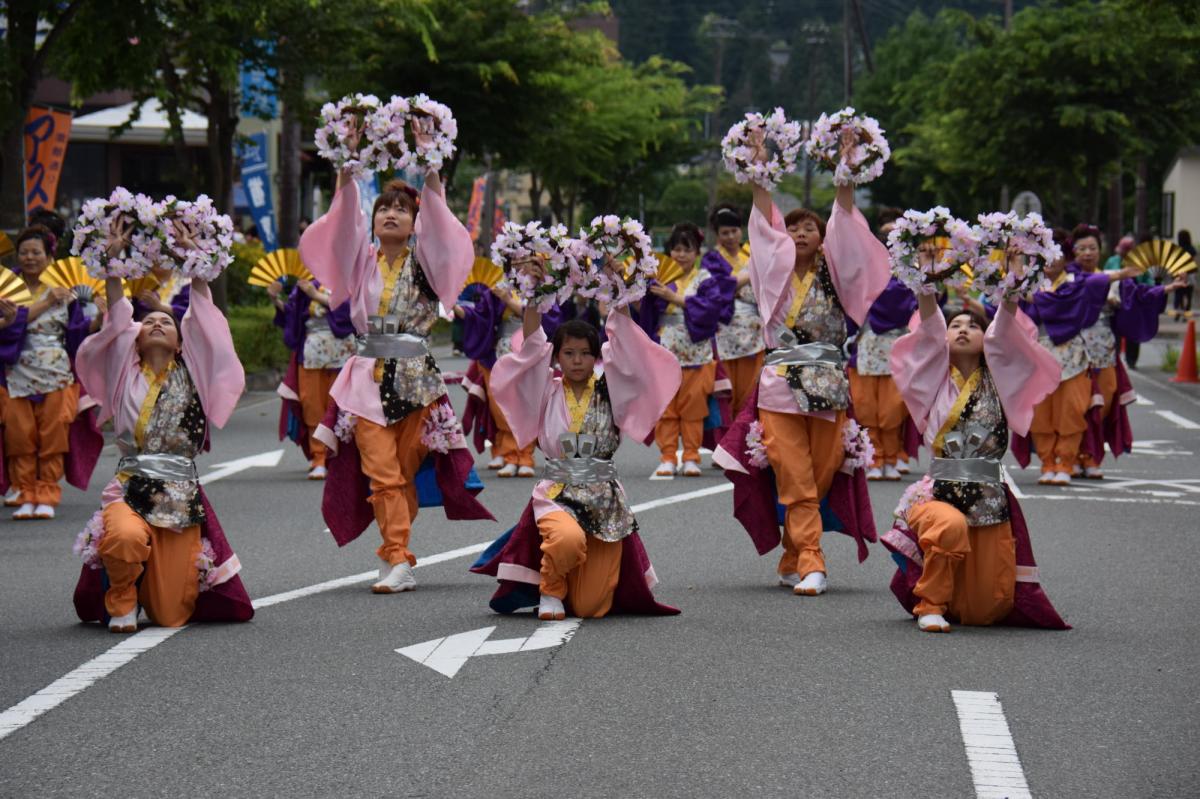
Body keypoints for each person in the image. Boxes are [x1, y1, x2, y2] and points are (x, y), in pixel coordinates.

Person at [298, 120, 493, 594]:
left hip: (416, 381)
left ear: (414, 221)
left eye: (400, 210)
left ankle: (397, 550)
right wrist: (345, 167)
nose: (389, 214)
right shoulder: (360, 259)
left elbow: (445, 233)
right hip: (366, 378)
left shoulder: (427, 261)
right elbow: (341, 225)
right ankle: (398, 556)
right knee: (381, 471)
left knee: (403, 472)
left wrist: (430, 169)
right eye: (382, 208)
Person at [712, 128, 888, 596]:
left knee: (822, 471)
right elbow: (763, 224)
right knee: (792, 471)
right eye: (793, 229)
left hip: (829, 384)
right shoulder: (771, 276)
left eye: (810, 227)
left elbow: (848, 226)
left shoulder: (838, 276)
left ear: (824, 238)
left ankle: (795, 550)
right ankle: (813, 559)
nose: (801, 232)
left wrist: (845, 172)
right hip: (779, 387)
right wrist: (758, 168)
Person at [472, 261, 682, 620]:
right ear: (557, 357)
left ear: (596, 356)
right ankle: (550, 589)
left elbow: (628, 346)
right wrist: (535, 291)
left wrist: (618, 284)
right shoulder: (546, 389)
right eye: (568, 353)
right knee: (566, 540)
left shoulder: (611, 389)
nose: (577, 361)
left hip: (603, 495)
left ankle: (564, 584)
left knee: (591, 606)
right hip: (558, 490)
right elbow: (532, 344)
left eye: (586, 353)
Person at [72, 218, 253, 632]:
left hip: (178, 496)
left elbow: (204, 317)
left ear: (179, 341)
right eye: (148, 321)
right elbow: (117, 316)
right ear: (134, 341)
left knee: (171, 614)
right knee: (123, 538)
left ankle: (149, 584)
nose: (155, 323)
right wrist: (114, 260)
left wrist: (192, 258)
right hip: (129, 487)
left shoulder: (196, 372)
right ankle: (121, 599)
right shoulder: (124, 372)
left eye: (166, 322)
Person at [881, 267, 1069, 633]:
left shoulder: (1001, 380)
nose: (964, 329)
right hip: (938, 491)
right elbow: (929, 329)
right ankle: (930, 603)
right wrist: (924, 280)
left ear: (988, 339)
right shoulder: (931, 378)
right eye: (956, 325)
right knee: (947, 527)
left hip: (988, 497)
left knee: (984, 610)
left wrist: (1014, 278)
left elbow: (1006, 334)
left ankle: (946, 597)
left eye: (974, 325)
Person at [1013, 229, 1138, 485]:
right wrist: (1014, 261)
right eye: (1044, 257)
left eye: (1056, 256)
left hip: (1074, 357)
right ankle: (1048, 462)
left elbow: (1100, 280)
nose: (1051, 262)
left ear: (1065, 259)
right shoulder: (1032, 284)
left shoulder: (1076, 282)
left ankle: (1067, 462)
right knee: (1041, 414)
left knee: (1071, 412)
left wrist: (1124, 273)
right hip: (1038, 357)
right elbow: (1013, 293)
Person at [1068, 225, 1181, 478]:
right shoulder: (1069, 278)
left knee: (1103, 406)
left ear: (1101, 251)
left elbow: (1138, 295)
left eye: (1092, 248)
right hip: (1073, 353)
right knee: (1077, 406)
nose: (1087, 253)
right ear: (1073, 252)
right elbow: (1081, 288)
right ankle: (1075, 455)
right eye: (1081, 248)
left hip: (1105, 351)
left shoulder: (1114, 279)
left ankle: (1093, 457)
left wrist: (1165, 289)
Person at [0, 225, 95, 519]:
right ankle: (25, 492)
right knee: (18, 436)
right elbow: (8, 330)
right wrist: (33, 310)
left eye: (36, 252)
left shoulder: (64, 289)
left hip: (56, 374)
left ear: (49, 255)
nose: (29, 257)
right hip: (15, 373)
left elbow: (78, 334)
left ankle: (47, 493)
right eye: (24, 252)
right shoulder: (6, 287)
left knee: (53, 435)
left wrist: (101, 314)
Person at [639, 222, 735, 477]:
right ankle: (668, 456)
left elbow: (712, 310)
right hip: (665, 350)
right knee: (667, 409)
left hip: (697, 353)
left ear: (697, 252)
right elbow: (645, 312)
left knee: (694, 409)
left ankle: (691, 456)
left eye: (687, 249)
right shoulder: (660, 277)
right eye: (676, 249)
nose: (680, 254)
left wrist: (676, 299)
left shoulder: (705, 279)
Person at [269, 277, 355, 479]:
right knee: (312, 407)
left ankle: (343, 458)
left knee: (342, 408)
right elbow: (293, 317)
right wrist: (275, 299)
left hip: (343, 353)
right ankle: (319, 457)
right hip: (311, 354)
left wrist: (317, 296)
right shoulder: (306, 283)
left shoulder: (349, 278)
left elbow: (355, 311)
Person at [456, 278, 538, 478]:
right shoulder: (500, 287)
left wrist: (509, 302)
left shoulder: (541, 287)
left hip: (529, 352)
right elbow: (479, 316)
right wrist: (453, 306)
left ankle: (525, 456)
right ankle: (509, 455)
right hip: (500, 354)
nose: (522, 265)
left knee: (525, 407)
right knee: (502, 409)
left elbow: (547, 320)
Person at [847, 276, 917, 480]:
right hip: (866, 355)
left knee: (892, 413)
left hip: (895, 354)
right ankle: (875, 459)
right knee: (867, 411)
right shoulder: (865, 278)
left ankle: (890, 458)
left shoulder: (905, 279)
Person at [710, 205, 765, 418]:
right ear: (717, 234)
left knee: (750, 392)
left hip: (754, 331)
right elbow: (717, 292)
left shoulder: (754, 253)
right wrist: (748, 275)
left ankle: (747, 440)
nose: (731, 236)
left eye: (734, 231)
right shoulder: (712, 259)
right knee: (728, 391)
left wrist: (733, 286)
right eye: (725, 232)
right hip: (724, 333)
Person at [1175, 230, 1195, 319]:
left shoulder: (1177, 249)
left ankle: (1179, 312)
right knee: (1188, 294)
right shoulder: (1192, 249)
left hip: (1180, 273)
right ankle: (1186, 313)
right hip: (1190, 273)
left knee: (1179, 294)